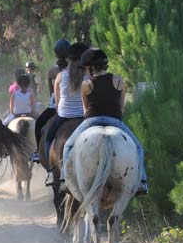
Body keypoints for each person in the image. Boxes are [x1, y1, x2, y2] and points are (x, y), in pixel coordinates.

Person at [61, 48, 148, 196]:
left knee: (68, 145)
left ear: (90, 67)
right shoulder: (119, 81)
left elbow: (85, 109)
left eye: (86, 68)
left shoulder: (86, 84)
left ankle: (64, 180)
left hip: (91, 121)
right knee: (139, 147)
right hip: (115, 121)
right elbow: (121, 108)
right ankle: (142, 181)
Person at [41, 40, 89, 168]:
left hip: (64, 117)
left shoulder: (60, 76)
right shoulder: (88, 77)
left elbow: (57, 103)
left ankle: (50, 169)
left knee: (48, 138)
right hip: (85, 117)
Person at [33, 39, 71, 161]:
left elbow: (52, 93)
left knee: (39, 123)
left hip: (56, 106)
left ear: (55, 54)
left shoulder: (52, 71)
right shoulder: (76, 69)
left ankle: (39, 152)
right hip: (75, 106)